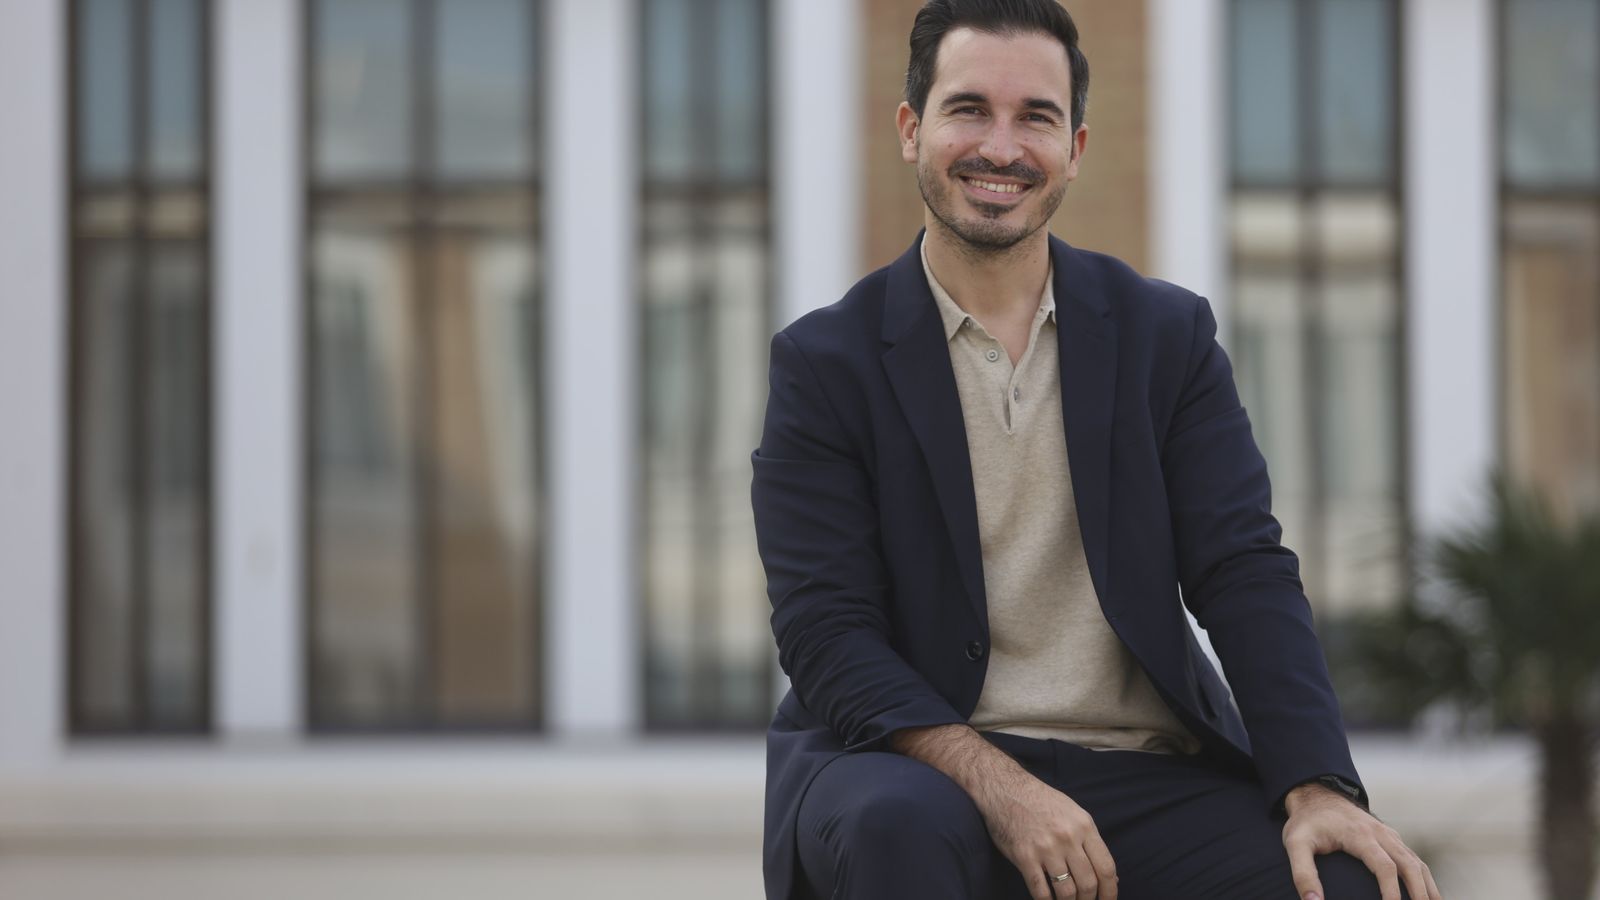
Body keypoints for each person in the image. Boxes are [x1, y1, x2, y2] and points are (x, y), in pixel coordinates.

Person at [749, 1, 1443, 899]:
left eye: (1035, 116)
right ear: (912, 130)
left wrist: (1320, 784)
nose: (1001, 146)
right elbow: (827, 633)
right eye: (968, 110)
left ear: (1074, 149)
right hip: (911, 761)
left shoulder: (1167, 337)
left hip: (1142, 770)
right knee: (897, 828)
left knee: (1345, 881)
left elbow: (1242, 570)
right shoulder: (825, 363)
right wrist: (1002, 788)